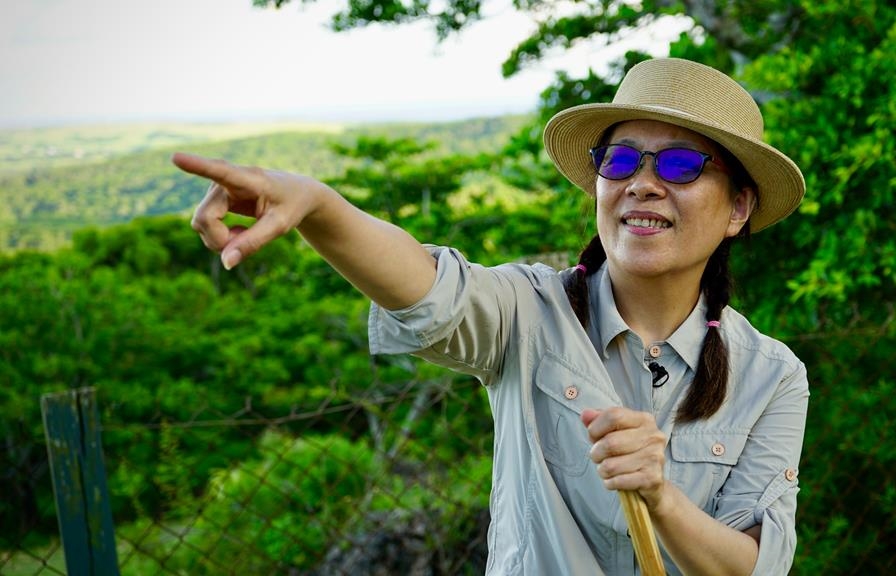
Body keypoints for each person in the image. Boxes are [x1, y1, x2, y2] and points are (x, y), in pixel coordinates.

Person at [174, 58, 809, 575]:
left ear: (737, 208)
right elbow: (426, 288)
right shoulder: (528, 311)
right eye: (619, 160)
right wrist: (319, 207)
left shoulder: (772, 377)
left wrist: (661, 498)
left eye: (680, 164)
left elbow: (752, 566)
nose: (642, 183)